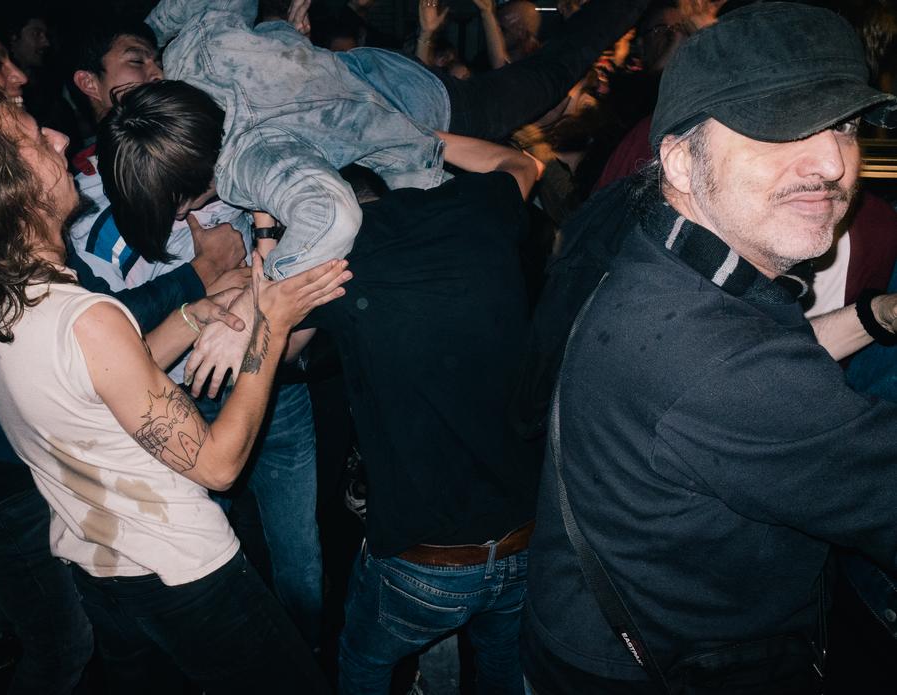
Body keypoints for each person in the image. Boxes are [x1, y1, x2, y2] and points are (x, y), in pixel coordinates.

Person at [0, 79, 349, 694]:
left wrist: (192, 317)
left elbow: (97, 381)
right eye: (34, 139)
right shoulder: (86, 318)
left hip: (102, 571)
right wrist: (270, 324)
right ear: (7, 188)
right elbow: (218, 465)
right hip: (185, 574)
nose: (59, 137)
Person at [518, 4, 897, 693]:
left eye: (845, 125)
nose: (833, 162)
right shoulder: (716, 360)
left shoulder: (661, 247)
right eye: (779, 126)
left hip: (585, 627)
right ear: (680, 162)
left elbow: (749, 374)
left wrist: (874, 315)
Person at [66, 19, 325, 646]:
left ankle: (306, 656)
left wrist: (248, 285)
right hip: (184, 404)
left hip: (280, 391)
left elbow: (309, 248)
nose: (153, 70)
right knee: (215, 559)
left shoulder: (223, 150)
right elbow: (112, 351)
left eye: (155, 59)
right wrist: (208, 283)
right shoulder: (90, 222)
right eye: (134, 61)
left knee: (300, 555)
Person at [104, 0, 651, 279]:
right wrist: (162, 30)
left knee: (552, 76)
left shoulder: (249, 157)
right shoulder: (190, 57)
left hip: (429, 110)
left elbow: (331, 216)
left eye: (179, 205)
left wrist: (265, 286)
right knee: (547, 84)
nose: (183, 216)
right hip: (381, 72)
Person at [287, 134, 543, 693]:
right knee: (505, 669)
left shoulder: (334, 263)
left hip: (427, 562)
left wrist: (272, 250)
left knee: (364, 663)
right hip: (526, 539)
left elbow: (279, 353)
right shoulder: (477, 211)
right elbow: (521, 163)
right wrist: (412, 131)